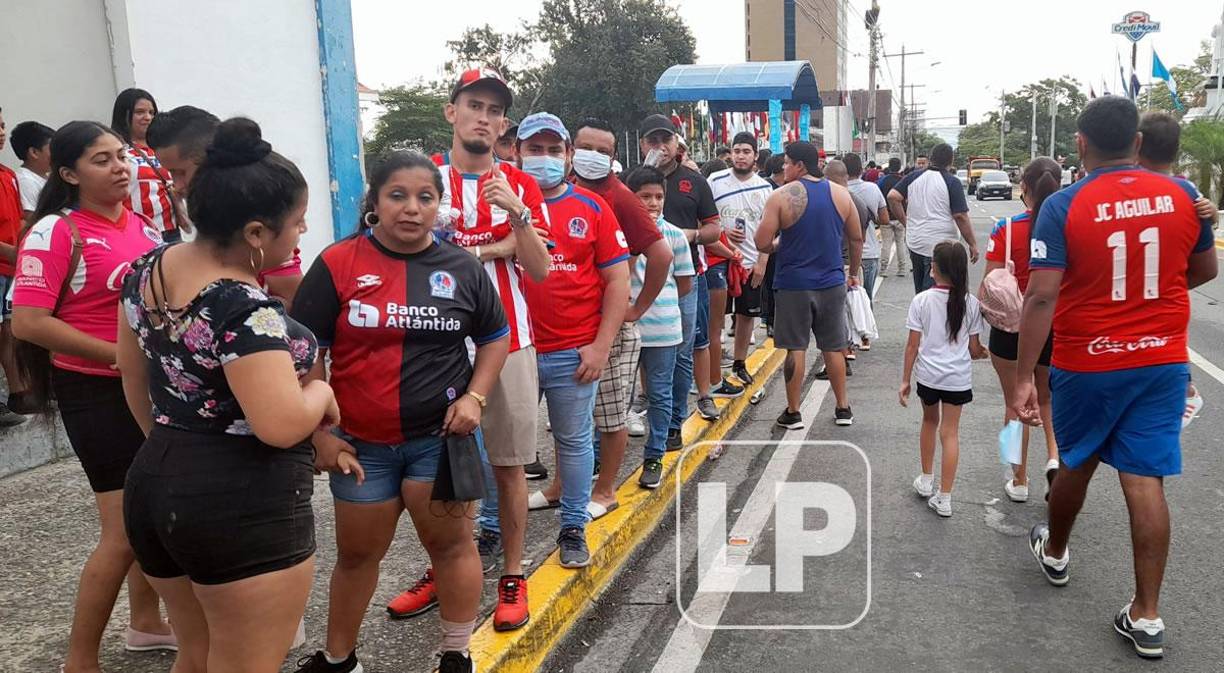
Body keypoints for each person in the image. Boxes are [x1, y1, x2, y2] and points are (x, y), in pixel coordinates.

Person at [118, 117, 337, 673]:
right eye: (297, 221)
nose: (303, 230)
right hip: (239, 502)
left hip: (156, 478)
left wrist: (173, 452)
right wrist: (322, 393)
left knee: (196, 653)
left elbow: (132, 373)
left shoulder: (146, 269)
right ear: (258, 233)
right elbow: (281, 424)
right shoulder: (244, 308)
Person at [292, 151, 510, 673]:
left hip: (440, 443)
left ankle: (456, 655)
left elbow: (495, 337)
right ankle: (339, 659)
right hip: (361, 446)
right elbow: (304, 352)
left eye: (425, 197)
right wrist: (319, 432)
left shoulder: (461, 266)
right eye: (398, 195)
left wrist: (475, 398)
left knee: (453, 548)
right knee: (356, 556)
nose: (411, 208)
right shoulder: (337, 263)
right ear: (375, 201)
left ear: (440, 205)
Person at [1016, 96, 1217, 659]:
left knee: (1077, 457)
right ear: (1136, 143)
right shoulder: (1184, 198)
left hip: (1089, 359)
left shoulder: (1061, 205)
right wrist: (1152, 299)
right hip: (1160, 363)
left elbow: (1040, 296)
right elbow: (1203, 269)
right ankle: (1147, 616)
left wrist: (1028, 378)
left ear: (1080, 144)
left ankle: (1055, 552)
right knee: (1145, 478)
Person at [386, 67, 550, 631]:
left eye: (494, 110)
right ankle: (446, 567)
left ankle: (510, 573)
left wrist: (517, 219)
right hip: (434, 342)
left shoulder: (521, 185)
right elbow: (403, 249)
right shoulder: (421, 179)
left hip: (510, 341)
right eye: (473, 105)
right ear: (451, 112)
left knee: (508, 465)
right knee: (441, 466)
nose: (484, 116)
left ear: (503, 124)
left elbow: (542, 268)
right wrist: (489, 250)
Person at [11, 120, 174, 672]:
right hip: (94, 392)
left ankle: (146, 625)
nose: (120, 167)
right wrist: (118, 356)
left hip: (149, 389)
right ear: (67, 173)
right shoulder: (56, 230)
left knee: (148, 514)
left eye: (121, 156)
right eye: (101, 159)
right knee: (123, 531)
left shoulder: (146, 227)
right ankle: (79, 660)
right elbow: (28, 322)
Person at [516, 112, 630, 567]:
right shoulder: (500, 207)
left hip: (572, 351)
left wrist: (601, 346)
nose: (542, 159)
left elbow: (618, 281)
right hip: (512, 351)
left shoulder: (593, 208)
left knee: (574, 441)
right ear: (516, 153)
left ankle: (573, 528)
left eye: (552, 150)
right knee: (502, 448)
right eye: (533, 150)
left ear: (567, 157)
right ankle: (489, 528)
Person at [570, 116, 673, 515]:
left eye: (602, 152)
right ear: (570, 150)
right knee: (571, 419)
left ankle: (605, 491)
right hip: (566, 325)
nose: (592, 157)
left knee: (610, 415)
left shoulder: (620, 196)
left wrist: (636, 309)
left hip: (608, 327)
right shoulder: (561, 192)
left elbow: (661, 255)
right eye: (586, 148)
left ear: (613, 158)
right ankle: (564, 486)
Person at [755, 141, 861, 429]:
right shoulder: (840, 194)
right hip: (831, 282)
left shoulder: (780, 197)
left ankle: (793, 411)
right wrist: (853, 271)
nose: (784, 168)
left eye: (787, 163)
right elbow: (856, 237)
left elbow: (761, 242)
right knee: (834, 346)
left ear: (799, 165)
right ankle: (843, 407)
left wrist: (778, 244)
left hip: (793, 284)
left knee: (795, 349)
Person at [639, 114, 723, 435]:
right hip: (642, 277)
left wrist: (688, 236)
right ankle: (649, 401)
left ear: (677, 144)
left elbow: (715, 229)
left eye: (665, 140)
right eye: (652, 140)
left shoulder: (694, 181)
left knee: (686, 345)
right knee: (647, 345)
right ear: (643, 144)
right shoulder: (632, 182)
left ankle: (683, 409)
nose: (659, 146)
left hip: (687, 276)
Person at [1135, 111, 1220, 429]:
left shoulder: (1183, 192)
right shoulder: (1184, 190)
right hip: (1160, 289)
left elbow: (1204, 224)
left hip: (1153, 287)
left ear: (1137, 144)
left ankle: (1182, 393)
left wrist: (1210, 213)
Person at [984, 157, 1062, 503]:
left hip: (1010, 329)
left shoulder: (1006, 228)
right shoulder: (1067, 225)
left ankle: (1018, 478)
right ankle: (1055, 459)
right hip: (1056, 325)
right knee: (1048, 401)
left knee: (1014, 402)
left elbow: (989, 282)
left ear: (1023, 188)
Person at [899, 240, 987, 517]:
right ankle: (945, 497)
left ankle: (926, 479)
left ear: (935, 268)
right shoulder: (971, 304)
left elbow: (912, 346)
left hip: (928, 376)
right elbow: (974, 349)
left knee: (929, 421)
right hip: (957, 379)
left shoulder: (921, 300)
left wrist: (905, 381)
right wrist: (982, 353)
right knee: (950, 433)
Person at [625, 165, 695, 487]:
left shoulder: (675, 236)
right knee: (615, 396)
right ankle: (598, 457)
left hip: (664, 328)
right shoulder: (617, 233)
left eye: (658, 196)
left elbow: (684, 284)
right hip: (623, 327)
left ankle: (654, 455)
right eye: (644, 197)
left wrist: (656, 301)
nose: (653, 203)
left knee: (659, 393)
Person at [710, 132, 771, 387]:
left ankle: (739, 363)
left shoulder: (765, 188)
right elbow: (704, 218)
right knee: (716, 319)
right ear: (730, 153)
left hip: (749, 263)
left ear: (755, 156)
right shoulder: (715, 180)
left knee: (747, 315)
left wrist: (761, 263)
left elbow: (771, 230)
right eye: (737, 151)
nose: (741, 156)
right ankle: (712, 371)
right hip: (719, 261)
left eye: (746, 151)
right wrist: (723, 234)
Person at [887, 143, 978, 293]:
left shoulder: (913, 177)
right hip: (942, 247)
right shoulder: (951, 182)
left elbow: (892, 197)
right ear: (951, 160)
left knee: (922, 292)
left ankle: (920, 314)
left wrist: (906, 221)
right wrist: (972, 244)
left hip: (915, 242)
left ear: (931, 159)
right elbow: (960, 216)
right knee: (938, 294)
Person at [112, 88, 180, 242]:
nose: (147, 117)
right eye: (140, 112)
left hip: (171, 230)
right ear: (124, 115)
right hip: (135, 231)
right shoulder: (116, 148)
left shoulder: (162, 147)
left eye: (151, 112)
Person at [0, 109, 30, 425]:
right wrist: (12, 253)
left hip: (11, 267)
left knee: (10, 330)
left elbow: (19, 218)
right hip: (5, 261)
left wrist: (22, 250)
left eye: (2, 124)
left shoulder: (8, 174)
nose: (0, 131)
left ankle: (18, 392)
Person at [842, 153, 889, 304]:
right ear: (861, 170)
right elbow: (885, 219)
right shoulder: (873, 189)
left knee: (843, 304)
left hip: (844, 256)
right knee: (865, 301)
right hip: (869, 252)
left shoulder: (835, 191)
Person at [11, 120, 55, 217]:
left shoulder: (47, 175)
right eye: (53, 149)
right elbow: (32, 219)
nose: (58, 153)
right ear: (34, 152)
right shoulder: (25, 181)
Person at [876, 157, 907, 277]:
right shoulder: (904, 180)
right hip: (901, 216)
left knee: (886, 243)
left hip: (886, 216)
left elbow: (878, 196)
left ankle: (883, 270)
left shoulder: (883, 180)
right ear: (900, 167)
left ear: (889, 166)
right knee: (900, 242)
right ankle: (902, 269)